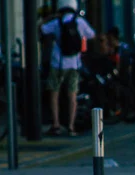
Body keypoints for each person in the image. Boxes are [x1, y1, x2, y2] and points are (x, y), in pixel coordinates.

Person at [41, 0, 95, 137]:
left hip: (57, 63)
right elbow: (92, 34)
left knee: (54, 93)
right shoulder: (79, 22)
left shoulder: (57, 22)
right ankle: (71, 126)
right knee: (72, 95)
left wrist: (48, 18)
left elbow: (41, 29)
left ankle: (56, 124)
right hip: (74, 64)